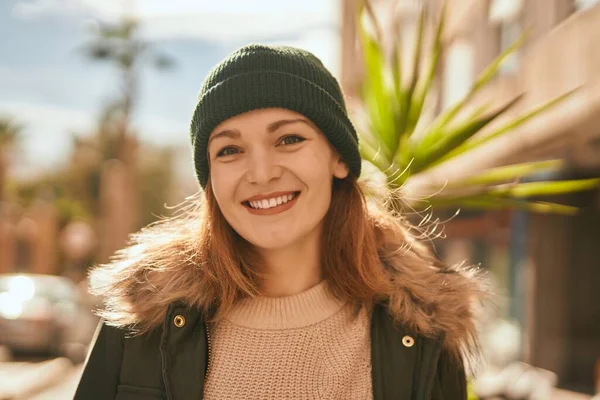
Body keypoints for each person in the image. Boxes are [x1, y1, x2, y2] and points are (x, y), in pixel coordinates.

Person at [74, 44, 488, 400]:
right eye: (230, 150)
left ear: (339, 158)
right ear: (210, 181)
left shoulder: (421, 328)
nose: (261, 172)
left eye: (289, 139)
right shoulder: (142, 319)